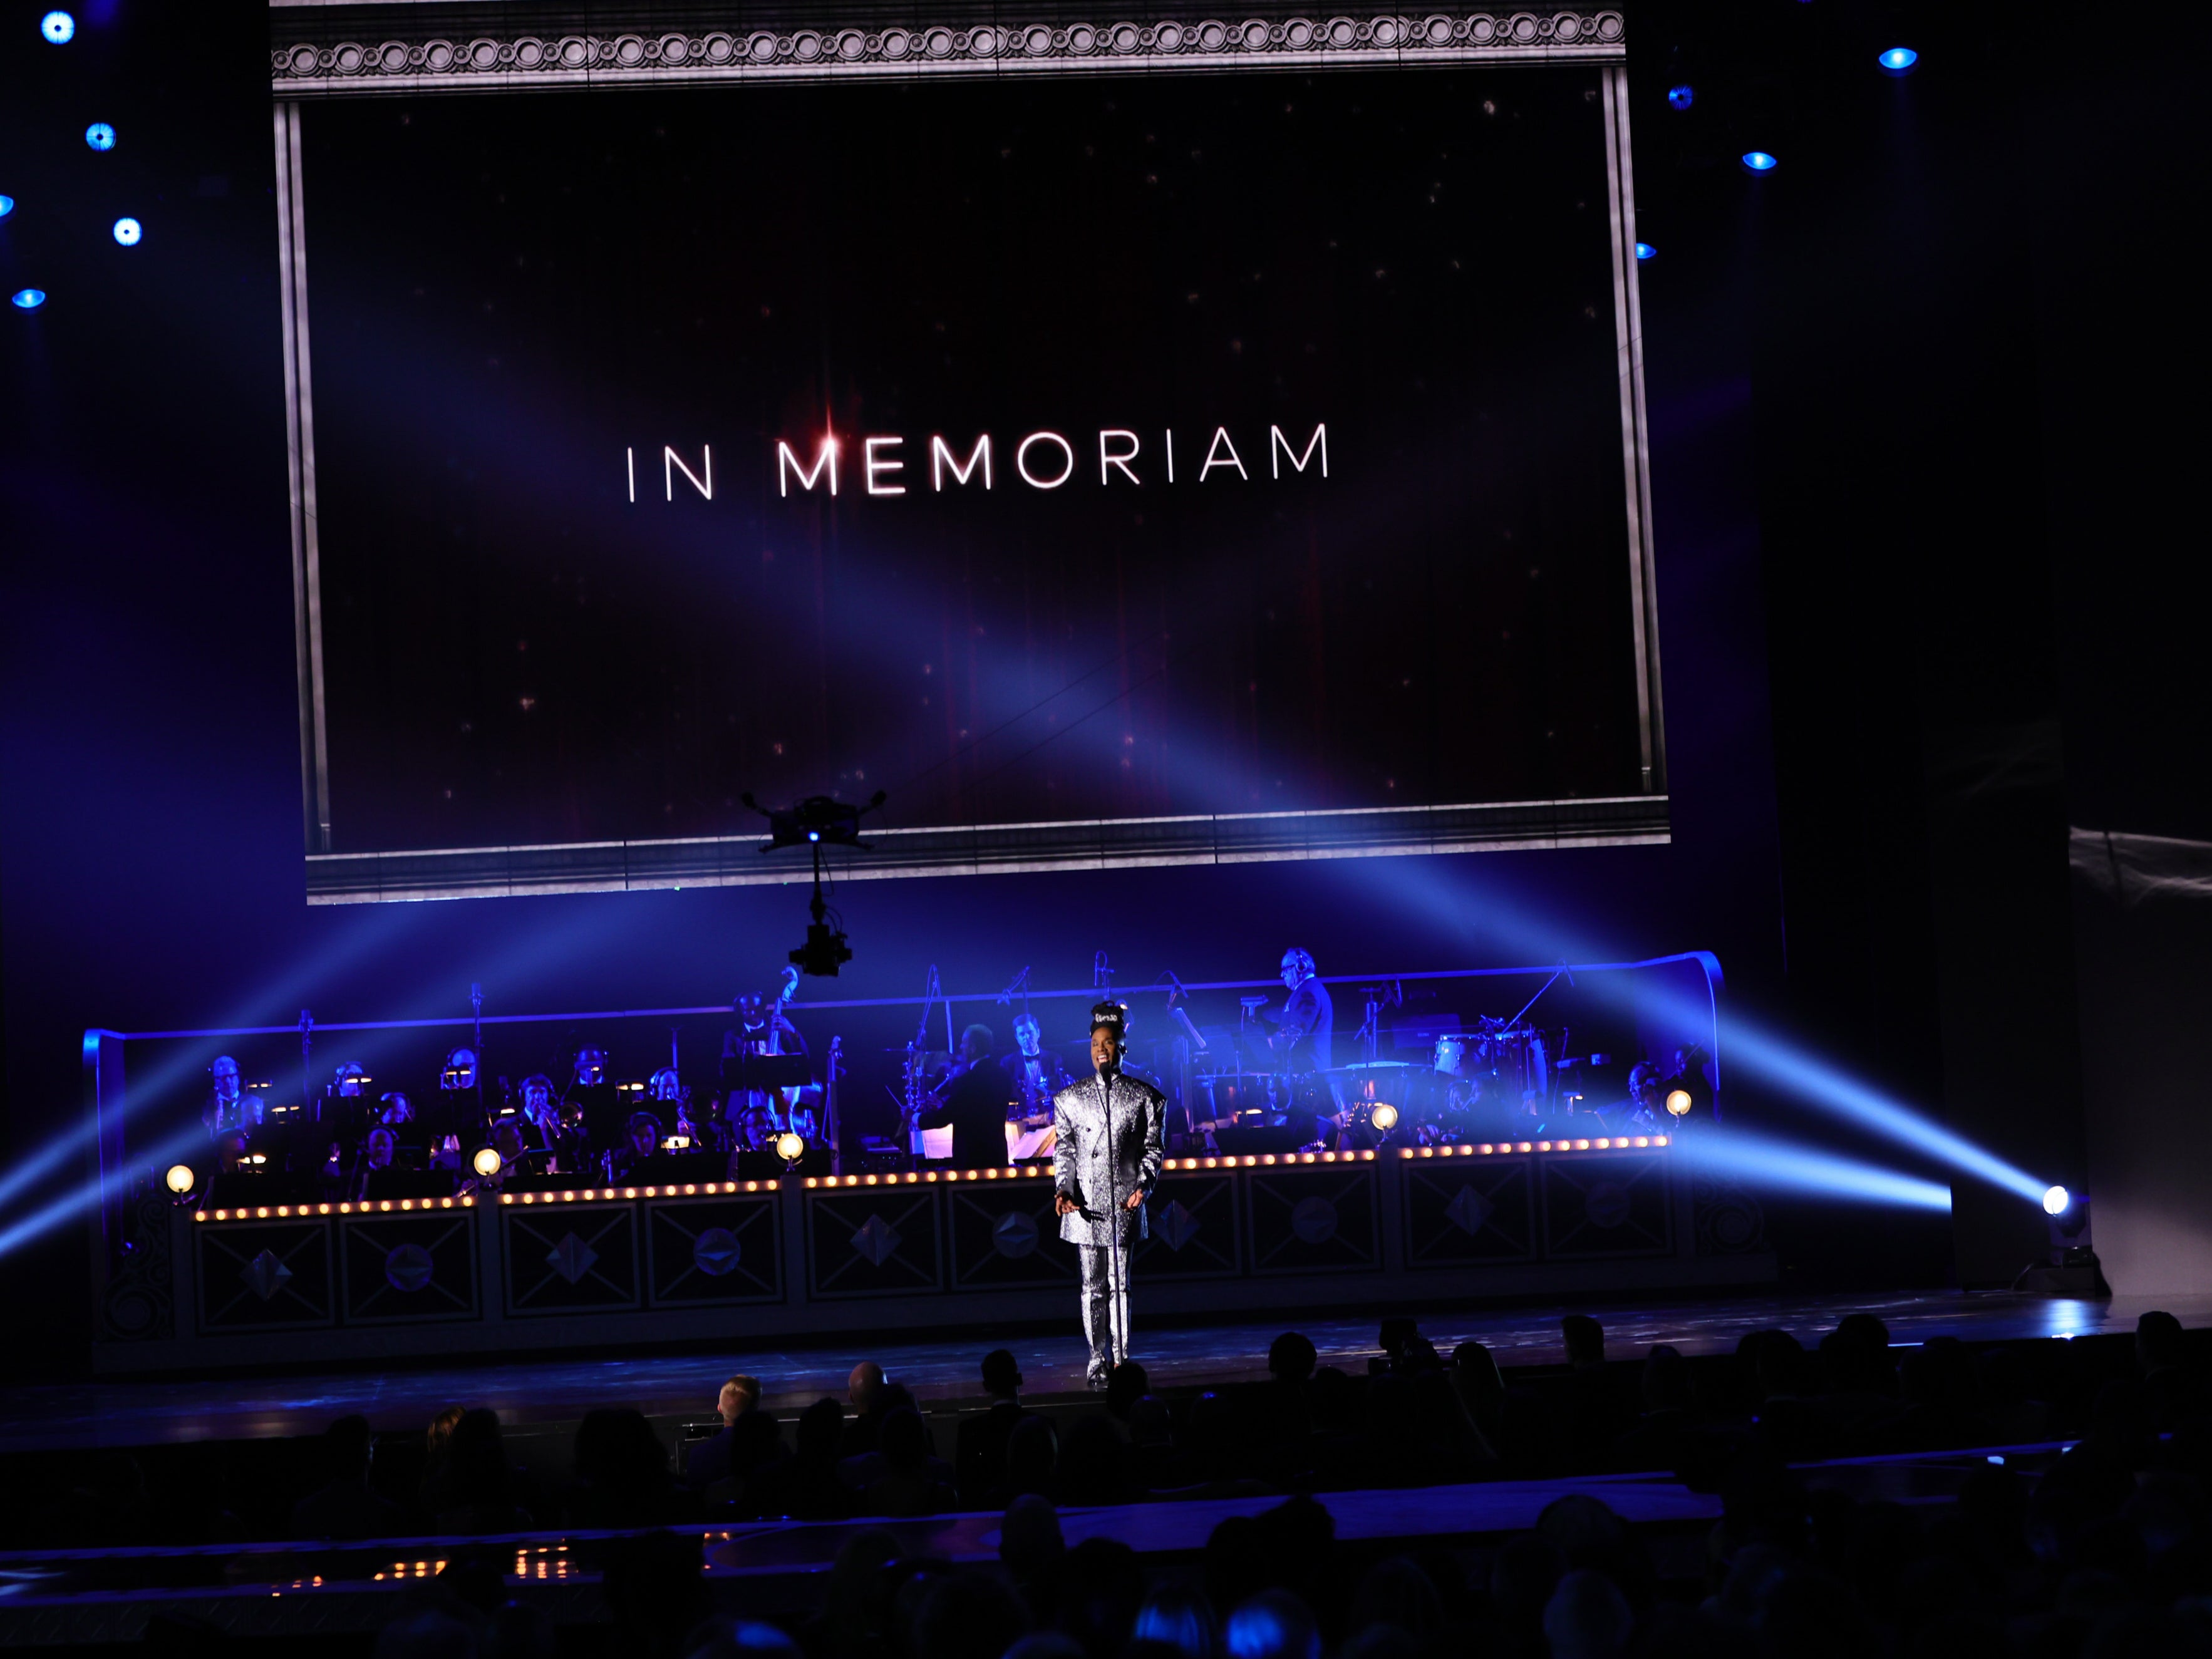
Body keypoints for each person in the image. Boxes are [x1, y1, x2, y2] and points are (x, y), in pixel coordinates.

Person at [1054, 1001, 1165, 1390]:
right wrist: (1063, 1189)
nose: (1103, 1049)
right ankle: (1096, 1358)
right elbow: (1065, 1149)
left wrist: (1143, 1186)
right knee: (1092, 1286)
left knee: (1121, 1284)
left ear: (1123, 1048)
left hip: (1123, 1204)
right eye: (1097, 1043)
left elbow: (1153, 1150)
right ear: (1089, 1047)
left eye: (1111, 1042)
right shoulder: (1069, 1099)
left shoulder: (1145, 1098)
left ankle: (1122, 1358)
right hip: (1086, 1208)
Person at [919, 1025, 1015, 1170]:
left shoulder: (966, 1080)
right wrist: (947, 1105)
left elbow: (942, 1119)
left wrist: (914, 1117)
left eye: (964, 1042)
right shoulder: (1003, 1075)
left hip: (972, 1161)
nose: (961, 1046)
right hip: (998, 1157)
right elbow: (978, 1110)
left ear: (973, 1048)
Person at [956, 1349, 1036, 1506]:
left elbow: (964, 1487)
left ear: (986, 1386)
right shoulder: (1042, 1427)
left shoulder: (969, 1431)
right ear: (1019, 1379)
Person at [1269, 950, 1334, 1071]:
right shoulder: (1308, 989)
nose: (1282, 975)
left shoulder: (1308, 992)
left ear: (1300, 967)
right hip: (1306, 1071)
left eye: (1286, 969)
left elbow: (1296, 1032)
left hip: (1308, 1072)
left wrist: (1269, 1044)